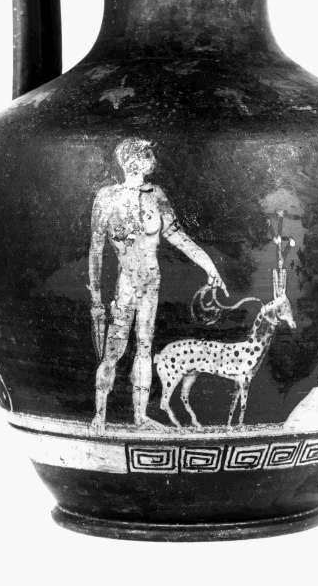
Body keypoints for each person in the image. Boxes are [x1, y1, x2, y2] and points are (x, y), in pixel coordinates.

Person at [88, 138, 227, 434]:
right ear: (133, 161)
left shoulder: (156, 195)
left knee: (144, 347)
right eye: (146, 155)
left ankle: (140, 417)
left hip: (151, 284)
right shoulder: (107, 197)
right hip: (126, 286)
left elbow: (179, 237)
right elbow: (96, 250)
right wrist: (96, 299)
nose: (152, 159)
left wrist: (209, 266)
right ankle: (99, 417)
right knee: (113, 351)